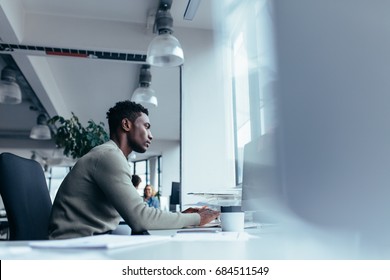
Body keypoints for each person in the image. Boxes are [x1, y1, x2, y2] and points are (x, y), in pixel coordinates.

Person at [48, 101, 219, 239]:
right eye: (146, 126)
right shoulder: (109, 156)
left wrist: (181, 216)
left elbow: (139, 211)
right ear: (126, 124)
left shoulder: (110, 155)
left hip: (88, 242)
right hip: (73, 249)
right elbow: (140, 218)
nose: (150, 135)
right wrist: (197, 218)